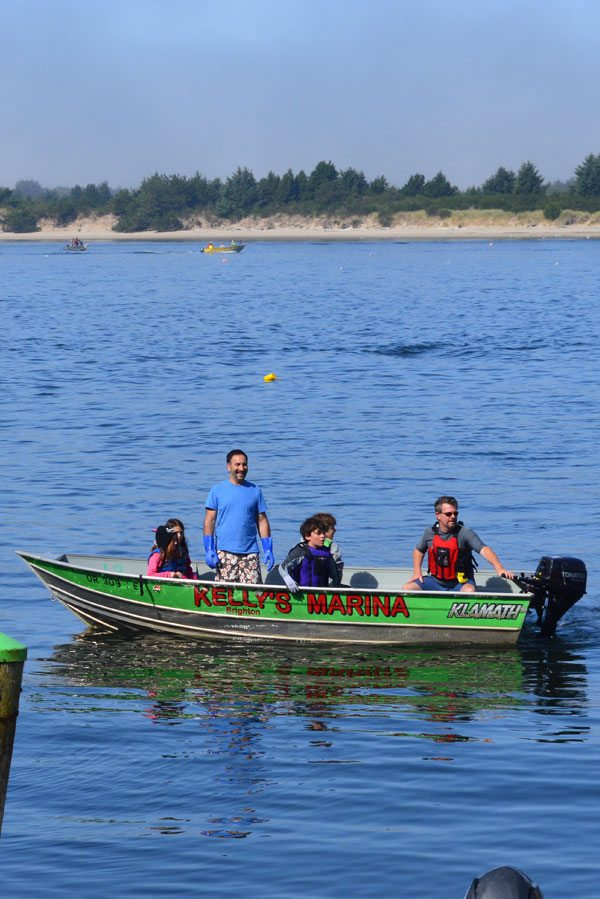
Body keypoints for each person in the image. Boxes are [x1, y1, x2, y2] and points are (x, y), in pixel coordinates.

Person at [402, 496, 514, 593]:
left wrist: (499, 567)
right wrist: (417, 571)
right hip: (435, 582)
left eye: (455, 513)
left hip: (460, 583)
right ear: (438, 515)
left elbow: (484, 549)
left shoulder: (465, 533)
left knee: (469, 590)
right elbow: (418, 551)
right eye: (448, 514)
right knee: (407, 588)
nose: (453, 516)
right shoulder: (429, 533)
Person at [203, 449, 274, 583]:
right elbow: (209, 520)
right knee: (225, 594)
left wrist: (268, 549)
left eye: (244, 464)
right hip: (225, 552)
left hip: (250, 552)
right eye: (237, 465)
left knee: (253, 595)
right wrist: (209, 549)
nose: (241, 468)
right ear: (229, 467)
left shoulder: (255, 491)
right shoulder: (217, 490)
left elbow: (262, 521)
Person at [279, 516, 341, 593]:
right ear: (307, 536)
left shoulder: (326, 553)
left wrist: (335, 592)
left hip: (321, 596)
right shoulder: (300, 551)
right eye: (318, 533)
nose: (323, 536)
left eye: (323, 533)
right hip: (299, 594)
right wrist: (287, 579)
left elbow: (335, 576)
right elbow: (282, 567)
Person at [313, 511, 344, 582]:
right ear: (324, 530)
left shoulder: (332, 546)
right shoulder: (302, 548)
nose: (335, 530)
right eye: (332, 528)